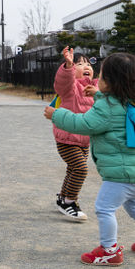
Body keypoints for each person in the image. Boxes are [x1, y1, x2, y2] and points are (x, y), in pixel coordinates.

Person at [44, 52, 135, 266]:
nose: (97, 80)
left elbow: (84, 124)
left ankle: (109, 250)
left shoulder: (106, 107)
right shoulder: (129, 101)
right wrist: (98, 94)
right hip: (133, 171)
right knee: (132, 207)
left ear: (111, 83)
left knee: (104, 208)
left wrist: (56, 115)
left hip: (118, 175)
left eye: (101, 77)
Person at [51, 46, 98, 221]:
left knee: (72, 169)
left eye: (88, 64)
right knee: (81, 168)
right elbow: (62, 82)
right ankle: (70, 202)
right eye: (80, 64)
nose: (86, 66)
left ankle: (63, 197)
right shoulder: (71, 88)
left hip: (84, 140)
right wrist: (68, 66)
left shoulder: (96, 89)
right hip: (66, 138)